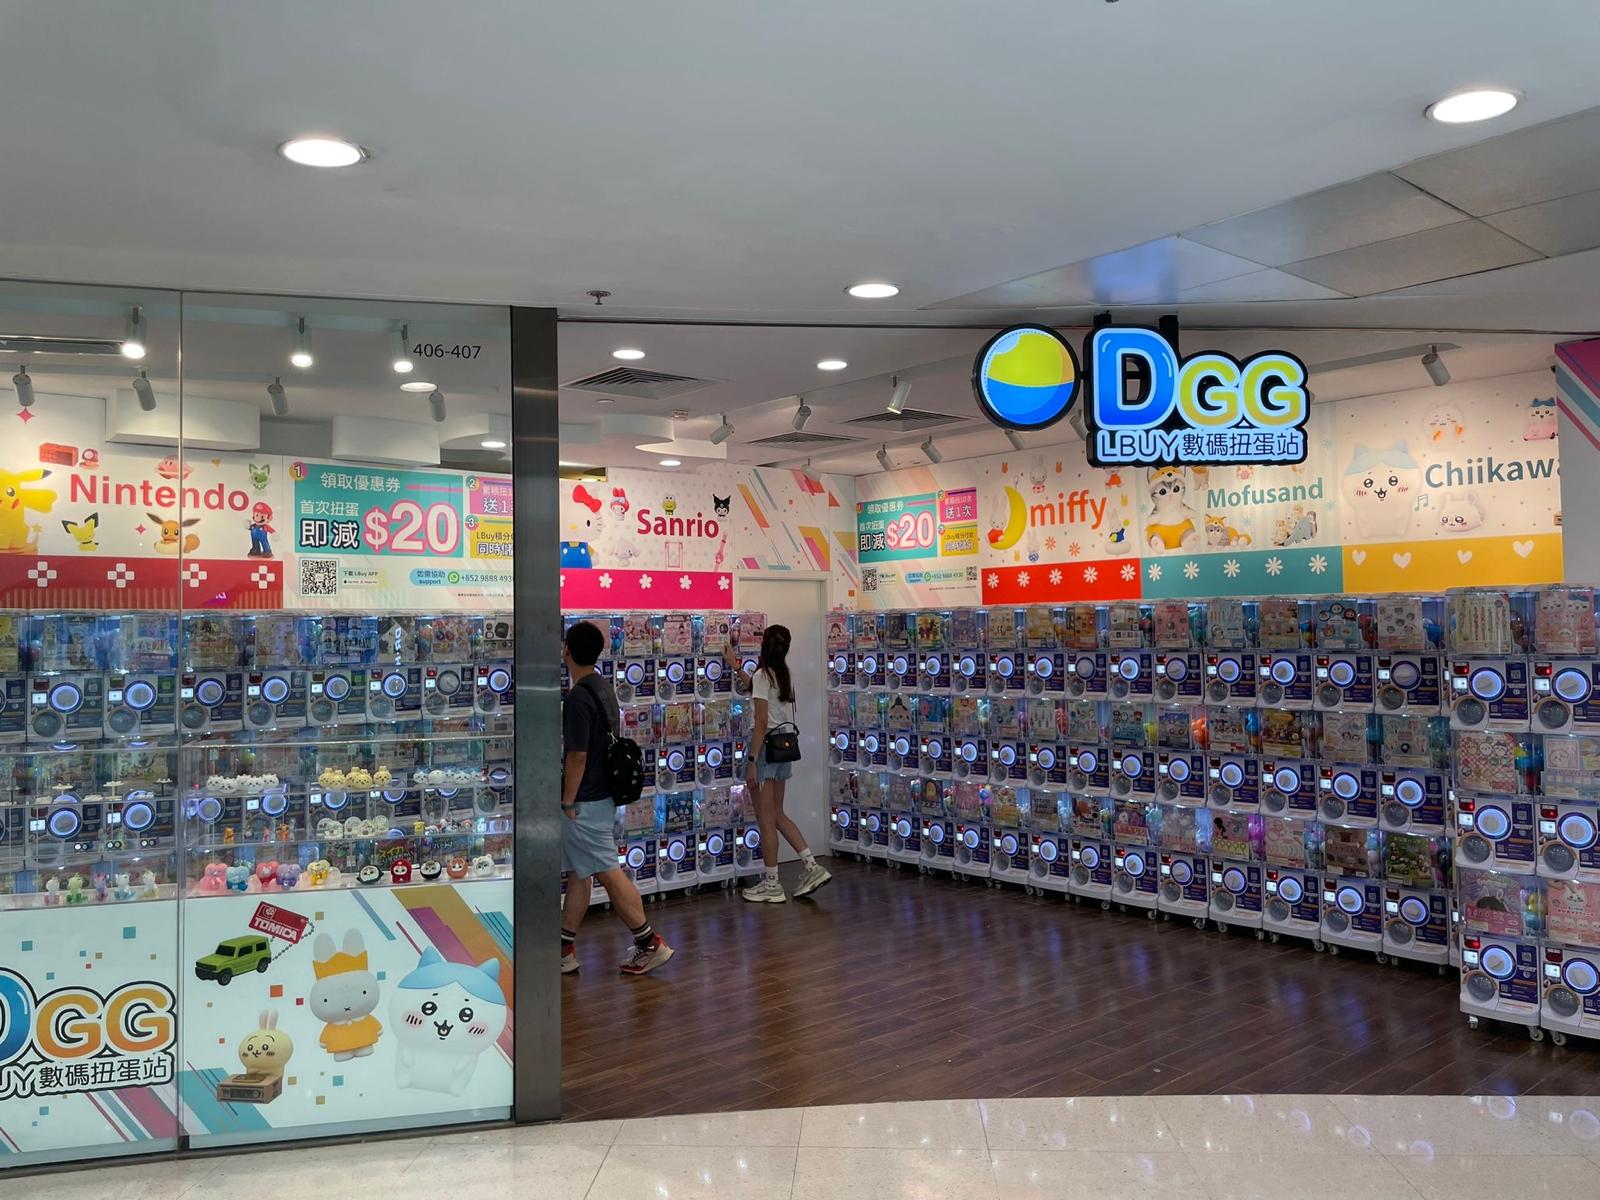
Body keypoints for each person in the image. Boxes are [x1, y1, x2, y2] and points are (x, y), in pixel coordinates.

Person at [560, 620, 674, 976]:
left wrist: (567, 801)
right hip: (603, 794)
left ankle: (649, 943)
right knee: (581, 872)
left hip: (585, 800)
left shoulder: (577, 697)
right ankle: (563, 949)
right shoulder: (601, 687)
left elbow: (577, 755)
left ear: (566, 651)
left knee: (608, 872)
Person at [728, 624, 831, 902]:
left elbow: (761, 722)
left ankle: (772, 884)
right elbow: (759, 690)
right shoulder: (783, 674)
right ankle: (812, 866)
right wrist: (736, 667)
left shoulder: (763, 675)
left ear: (764, 645)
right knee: (778, 814)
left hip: (764, 750)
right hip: (783, 747)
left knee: (766, 820)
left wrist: (752, 760)